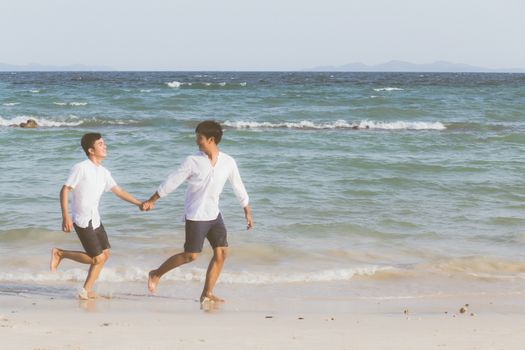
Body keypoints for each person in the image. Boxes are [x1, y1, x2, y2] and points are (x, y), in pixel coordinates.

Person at [142, 120, 252, 304]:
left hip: (215, 215)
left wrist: (246, 210)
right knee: (191, 256)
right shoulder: (192, 161)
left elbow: (238, 185)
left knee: (222, 253)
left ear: (211, 139)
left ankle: (207, 293)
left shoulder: (228, 162)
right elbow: (172, 181)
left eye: (199, 137)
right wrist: (152, 200)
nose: (196, 141)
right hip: (196, 214)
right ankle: (156, 273)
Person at [50, 133, 143, 300]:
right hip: (82, 219)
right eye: (101, 144)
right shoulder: (81, 168)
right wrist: (66, 216)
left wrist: (138, 203)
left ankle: (86, 290)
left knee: (105, 255)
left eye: (104, 143)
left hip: (95, 219)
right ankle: (60, 254)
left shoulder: (104, 172)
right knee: (96, 258)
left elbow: (118, 191)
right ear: (91, 150)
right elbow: (65, 190)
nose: (104, 146)